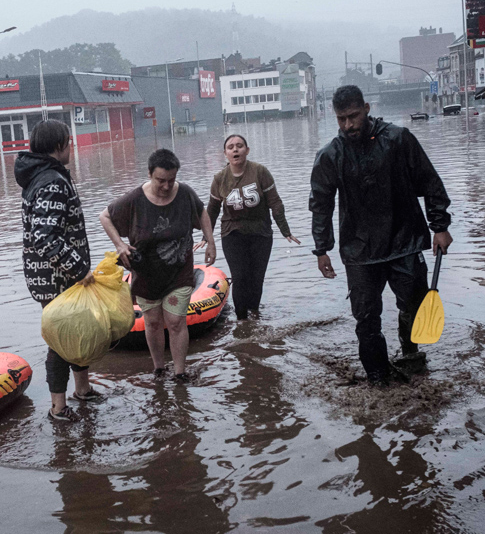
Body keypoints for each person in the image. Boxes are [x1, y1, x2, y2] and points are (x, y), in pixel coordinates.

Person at [309, 85, 453, 386]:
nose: (348, 125)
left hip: (404, 240)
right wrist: (322, 249)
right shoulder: (330, 155)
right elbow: (321, 205)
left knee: (413, 306)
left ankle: (411, 355)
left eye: (353, 116)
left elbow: (429, 181)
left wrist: (439, 226)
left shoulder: (398, 139)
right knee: (366, 318)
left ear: (367, 108)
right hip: (359, 250)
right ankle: (378, 377)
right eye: (341, 119)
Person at [99, 149, 216, 382]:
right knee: (152, 322)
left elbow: (202, 212)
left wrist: (210, 241)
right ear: (150, 174)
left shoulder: (184, 193)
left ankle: (180, 372)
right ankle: (159, 368)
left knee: (175, 322)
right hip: (146, 273)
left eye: (171, 180)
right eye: (160, 180)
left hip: (178, 271)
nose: (166, 186)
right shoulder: (134, 199)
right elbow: (105, 216)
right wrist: (120, 245)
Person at [16, 119, 99, 422]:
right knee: (61, 340)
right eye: (69, 141)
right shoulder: (51, 181)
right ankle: (58, 408)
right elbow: (45, 237)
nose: (72, 146)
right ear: (59, 145)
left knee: (74, 333)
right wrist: (80, 269)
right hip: (56, 278)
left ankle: (83, 390)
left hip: (51, 276)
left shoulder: (43, 176)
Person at [206, 134, 301, 320]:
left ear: (247, 150)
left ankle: (254, 315)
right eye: (231, 147)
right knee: (240, 276)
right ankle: (242, 321)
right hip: (232, 232)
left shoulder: (260, 172)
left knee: (257, 278)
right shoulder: (220, 179)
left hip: (261, 232)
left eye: (240, 146)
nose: (235, 149)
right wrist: (206, 238)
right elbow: (212, 210)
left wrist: (285, 230)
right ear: (225, 153)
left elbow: (275, 202)